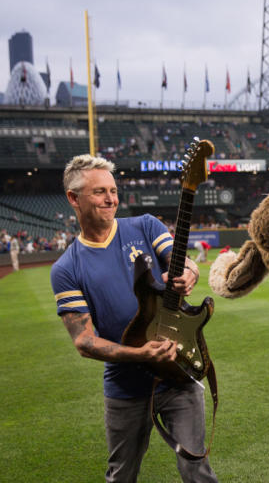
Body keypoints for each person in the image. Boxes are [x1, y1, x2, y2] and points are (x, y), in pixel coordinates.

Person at [50, 155, 217, 483]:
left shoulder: (145, 225)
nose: (111, 198)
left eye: (113, 190)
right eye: (99, 192)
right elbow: (83, 341)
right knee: (122, 475)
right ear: (73, 198)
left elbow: (181, 264)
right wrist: (140, 355)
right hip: (125, 386)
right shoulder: (66, 269)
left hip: (178, 371)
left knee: (196, 469)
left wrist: (189, 273)